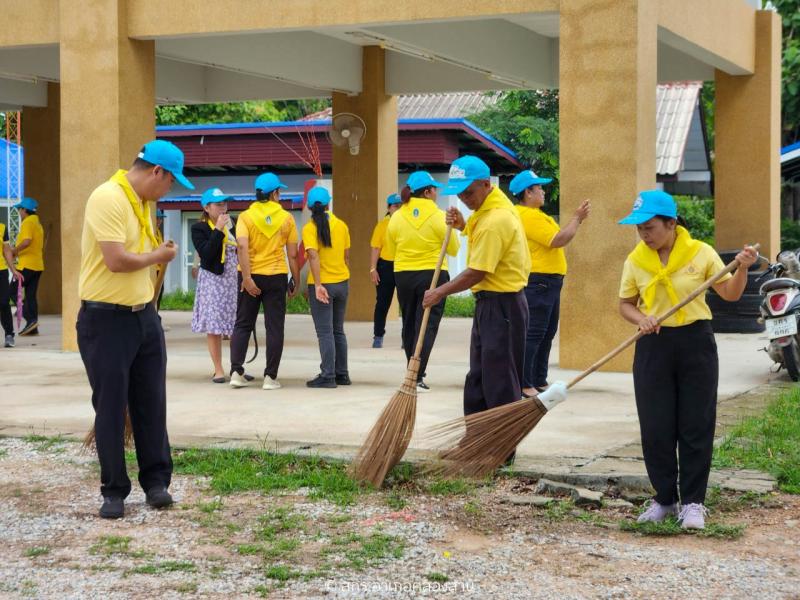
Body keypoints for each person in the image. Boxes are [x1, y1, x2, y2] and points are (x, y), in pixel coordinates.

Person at [617, 190, 757, 530]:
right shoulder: (636, 259)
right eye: (639, 229)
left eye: (649, 228)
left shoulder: (701, 252)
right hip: (653, 344)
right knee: (656, 425)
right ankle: (665, 499)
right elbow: (625, 303)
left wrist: (742, 268)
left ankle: (693, 502)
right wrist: (641, 319)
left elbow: (731, 294)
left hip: (696, 342)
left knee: (695, 423)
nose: (644, 235)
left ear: (671, 223)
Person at [77, 139, 191, 519]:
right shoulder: (108, 197)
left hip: (144, 318)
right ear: (156, 171)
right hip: (105, 319)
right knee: (110, 407)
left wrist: (155, 266)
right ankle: (113, 491)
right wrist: (158, 257)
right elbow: (115, 260)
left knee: (151, 402)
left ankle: (156, 482)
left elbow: (142, 263)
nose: (169, 190)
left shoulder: (144, 203)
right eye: (170, 182)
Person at [422, 156, 534, 419]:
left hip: (503, 305)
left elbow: (478, 271)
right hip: (490, 304)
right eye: (459, 194)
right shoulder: (489, 209)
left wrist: (439, 292)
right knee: (480, 376)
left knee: (500, 381)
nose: (464, 199)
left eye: (469, 192)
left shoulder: (496, 219)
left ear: (486, 185)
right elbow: (479, 228)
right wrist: (463, 224)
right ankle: (474, 441)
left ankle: (500, 448)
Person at [509, 170, 591, 397]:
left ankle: (538, 378)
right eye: (539, 188)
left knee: (546, 331)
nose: (543, 192)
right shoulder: (528, 215)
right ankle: (525, 382)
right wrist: (576, 218)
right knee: (535, 332)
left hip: (548, 282)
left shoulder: (535, 214)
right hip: (539, 282)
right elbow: (558, 240)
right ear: (528, 192)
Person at [385, 172, 460, 392]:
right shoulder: (439, 216)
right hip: (433, 275)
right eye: (434, 189)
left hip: (404, 275)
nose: (436, 192)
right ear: (427, 192)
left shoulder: (396, 217)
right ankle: (417, 376)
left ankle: (412, 371)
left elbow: (390, 249)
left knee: (409, 323)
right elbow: (454, 249)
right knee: (426, 324)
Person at [229, 172, 300, 390]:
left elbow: (241, 247)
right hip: (276, 276)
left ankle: (236, 372)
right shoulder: (286, 218)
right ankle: (270, 377)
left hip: (250, 276)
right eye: (279, 191)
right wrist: (295, 280)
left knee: (243, 323)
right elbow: (293, 254)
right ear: (274, 193)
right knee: (275, 327)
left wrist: (248, 278)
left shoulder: (245, 217)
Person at [302, 186, 351, 388]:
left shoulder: (309, 228)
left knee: (325, 332)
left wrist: (319, 284)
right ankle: (342, 374)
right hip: (342, 283)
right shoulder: (341, 225)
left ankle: (328, 375)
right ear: (329, 203)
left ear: (310, 207)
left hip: (322, 286)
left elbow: (313, 256)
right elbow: (346, 256)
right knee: (338, 330)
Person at [191, 188, 239, 383]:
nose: (223, 208)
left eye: (225, 204)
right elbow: (207, 253)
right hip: (213, 280)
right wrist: (218, 229)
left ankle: (237, 367)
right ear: (206, 207)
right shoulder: (199, 228)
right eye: (218, 204)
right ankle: (218, 369)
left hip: (232, 279)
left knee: (236, 323)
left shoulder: (232, 224)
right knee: (215, 326)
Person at [369, 193, 402, 349]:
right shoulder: (382, 225)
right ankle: (378, 335)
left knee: (406, 304)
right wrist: (373, 269)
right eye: (395, 206)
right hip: (385, 266)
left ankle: (407, 337)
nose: (398, 209)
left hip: (403, 266)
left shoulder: (406, 223)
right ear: (389, 208)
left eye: (401, 206)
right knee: (382, 303)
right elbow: (376, 248)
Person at [10, 197, 44, 336]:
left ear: (25, 210)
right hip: (37, 265)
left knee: (11, 291)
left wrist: (14, 251)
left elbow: (27, 241)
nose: (18, 212)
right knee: (30, 296)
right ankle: (33, 327)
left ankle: (30, 320)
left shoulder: (27, 222)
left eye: (19, 209)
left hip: (26, 266)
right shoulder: (37, 222)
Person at [1, 221, 24, 348]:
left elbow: (6, 251)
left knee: (4, 303)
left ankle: (9, 335)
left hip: (1, 271)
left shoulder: (2, 228)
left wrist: (13, 270)